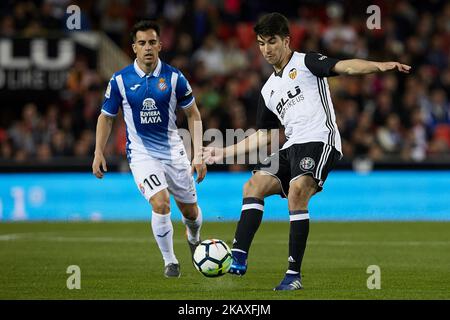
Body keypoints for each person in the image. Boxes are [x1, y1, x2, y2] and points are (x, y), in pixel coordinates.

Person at [203, 12, 410, 290]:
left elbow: (345, 67)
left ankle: (293, 275)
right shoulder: (268, 90)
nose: (266, 49)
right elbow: (264, 136)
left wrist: (380, 66)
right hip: (291, 146)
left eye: (272, 42)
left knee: (298, 191)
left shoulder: (307, 62)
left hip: (320, 140)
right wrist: (223, 153)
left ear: (286, 41)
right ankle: (238, 257)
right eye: (261, 43)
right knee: (253, 185)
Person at [92, 20, 207, 278]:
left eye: (152, 42)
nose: (147, 48)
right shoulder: (120, 80)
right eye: (142, 43)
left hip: (174, 152)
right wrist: (99, 151)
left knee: (190, 211)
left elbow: (194, 115)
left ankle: (194, 237)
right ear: (134, 47)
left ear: (160, 45)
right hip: (142, 155)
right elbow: (106, 116)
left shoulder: (175, 77)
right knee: (161, 203)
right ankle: (170, 261)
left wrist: (198, 155)